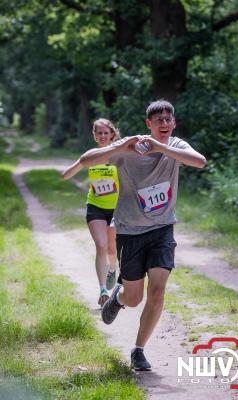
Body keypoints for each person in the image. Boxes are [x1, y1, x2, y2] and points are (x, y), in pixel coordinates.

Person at [78, 100, 207, 371]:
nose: (163, 123)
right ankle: (118, 297)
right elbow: (85, 160)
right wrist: (119, 146)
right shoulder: (127, 147)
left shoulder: (176, 147)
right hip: (129, 231)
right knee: (134, 298)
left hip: (162, 229)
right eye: (157, 119)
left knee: (158, 292)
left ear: (173, 123)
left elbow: (200, 162)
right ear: (148, 124)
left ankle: (138, 350)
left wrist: (162, 147)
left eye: (168, 119)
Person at [62, 118, 120, 306]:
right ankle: (103, 289)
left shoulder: (120, 154)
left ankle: (113, 268)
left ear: (112, 134)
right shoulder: (91, 155)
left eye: (106, 133)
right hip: (95, 206)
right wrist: (79, 163)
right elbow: (67, 175)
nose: (103, 136)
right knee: (101, 246)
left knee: (112, 249)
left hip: (117, 209)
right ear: (94, 136)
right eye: (99, 133)